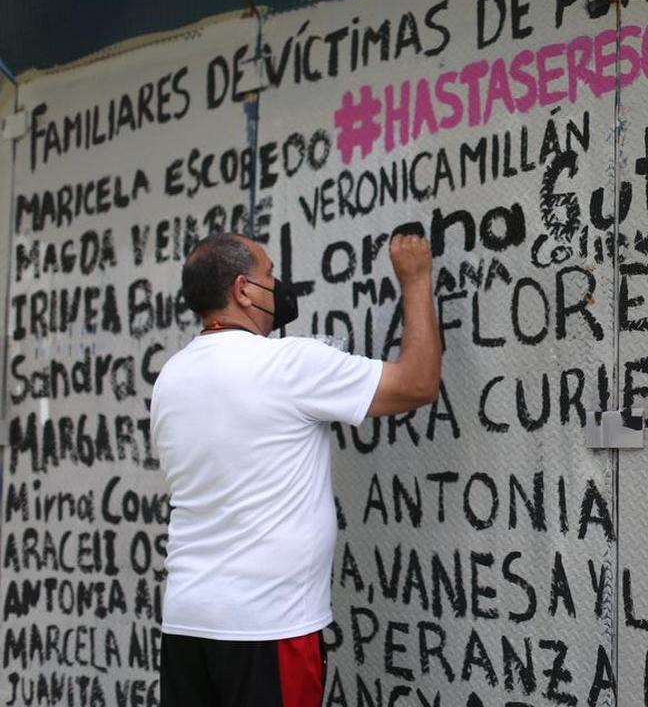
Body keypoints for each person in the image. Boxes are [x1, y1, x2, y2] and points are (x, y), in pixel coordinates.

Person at [152, 231, 440, 706]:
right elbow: (417, 383)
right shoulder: (288, 365)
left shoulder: (171, 377)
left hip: (187, 623)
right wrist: (415, 279)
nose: (279, 285)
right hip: (268, 627)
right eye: (269, 274)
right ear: (243, 290)